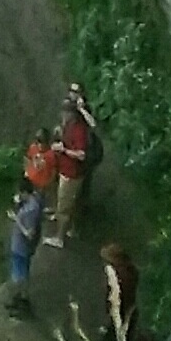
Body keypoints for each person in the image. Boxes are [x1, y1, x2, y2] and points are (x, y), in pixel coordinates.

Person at [50, 82, 102, 246]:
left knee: (73, 199)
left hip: (75, 169)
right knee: (66, 199)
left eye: (76, 91)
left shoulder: (80, 122)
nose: (73, 94)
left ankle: (62, 235)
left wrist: (63, 149)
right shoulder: (69, 123)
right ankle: (66, 221)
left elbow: (82, 152)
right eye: (71, 91)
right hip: (66, 167)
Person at [6, 166, 47, 307]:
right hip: (24, 247)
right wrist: (18, 203)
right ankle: (22, 296)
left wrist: (15, 218)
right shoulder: (35, 200)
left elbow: (29, 234)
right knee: (23, 272)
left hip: (21, 247)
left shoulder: (31, 210)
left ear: (24, 192)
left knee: (18, 275)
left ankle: (20, 297)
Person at [101, 244, 147, 341]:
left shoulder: (124, 274)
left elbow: (122, 295)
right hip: (125, 310)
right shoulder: (128, 272)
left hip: (125, 311)